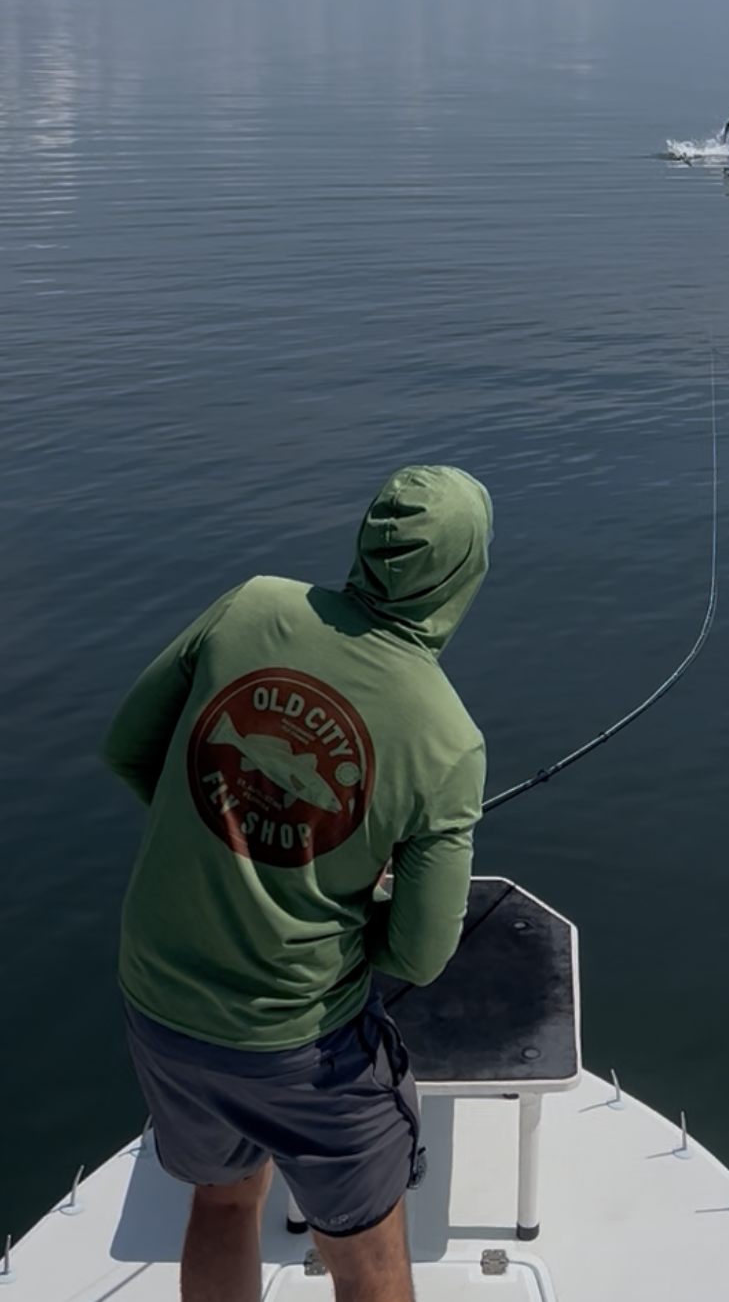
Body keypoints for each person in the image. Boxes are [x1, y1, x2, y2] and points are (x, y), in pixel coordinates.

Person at [101, 464, 492, 1302]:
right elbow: (421, 954)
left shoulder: (252, 603)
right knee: (368, 1258)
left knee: (223, 1196)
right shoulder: (447, 736)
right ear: (465, 576)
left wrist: (229, 830)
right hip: (299, 1041)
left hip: (161, 995)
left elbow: (129, 747)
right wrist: (355, 895)